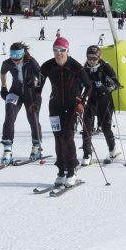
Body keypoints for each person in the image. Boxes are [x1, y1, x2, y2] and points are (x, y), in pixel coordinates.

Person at [38, 37, 90, 188]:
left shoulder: (75, 66)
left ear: (68, 51)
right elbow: (38, 87)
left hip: (72, 106)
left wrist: (82, 101)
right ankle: (61, 170)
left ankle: (71, 171)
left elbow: (89, 86)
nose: (58, 54)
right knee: (58, 138)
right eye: (55, 50)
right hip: (55, 105)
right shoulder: (47, 66)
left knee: (68, 136)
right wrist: (35, 100)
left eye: (62, 50)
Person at [0, 42, 43, 164]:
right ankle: (7, 149)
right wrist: (3, 87)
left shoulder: (31, 61)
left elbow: (41, 76)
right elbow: (3, 73)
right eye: (14, 59)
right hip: (15, 90)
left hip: (30, 92)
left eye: (18, 59)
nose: (16, 62)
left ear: (23, 55)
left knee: (33, 118)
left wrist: (34, 83)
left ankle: (36, 147)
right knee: (9, 115)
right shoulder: (7, 63)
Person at [80, 45, 120, 165]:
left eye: (94, 58)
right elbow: (78, 84)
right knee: (86, 128)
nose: (91, 61)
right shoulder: (84, 69)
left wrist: (108, 86)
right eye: (89, 58)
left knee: (106, 128)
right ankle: (87, 154)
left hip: (104, 101)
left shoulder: (105, 67)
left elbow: (117, 83)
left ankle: (112, 149)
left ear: (99, 57)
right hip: (90, 101)